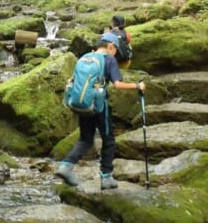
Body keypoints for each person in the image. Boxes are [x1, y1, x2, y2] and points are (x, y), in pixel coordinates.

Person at [55, 32, 145, 189]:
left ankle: (66, 166)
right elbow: (117, 85)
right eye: (115, 50)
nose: (115, 54)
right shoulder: (109, 60)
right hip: (99, 106)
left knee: (86, 139)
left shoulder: (84, 57)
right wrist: (137, 86)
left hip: (83, 104)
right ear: (110, 47)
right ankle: (106, 176)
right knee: (108, 139)